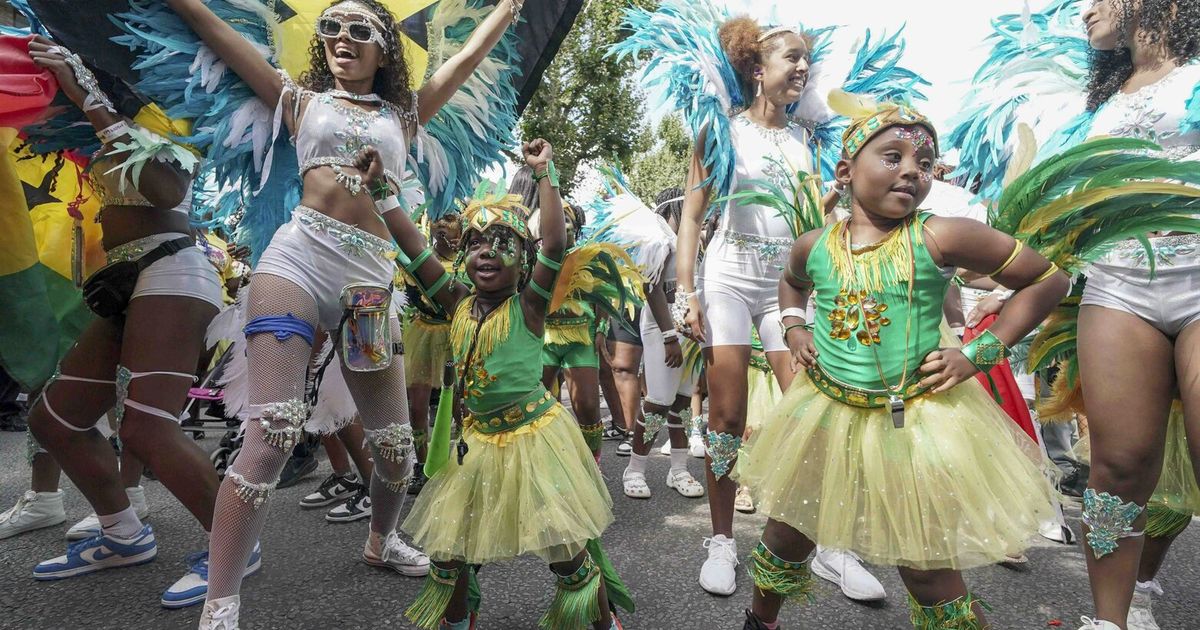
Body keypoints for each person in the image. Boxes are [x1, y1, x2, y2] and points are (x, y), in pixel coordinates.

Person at [161, 0, 522, 625]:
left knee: (394, 449)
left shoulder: (404, 115)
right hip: (295, 260)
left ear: (385, 51)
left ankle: (382, 540)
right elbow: (213, 31)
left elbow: (464, 60)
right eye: (331, 29)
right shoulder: (299, 100)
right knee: (272, 432)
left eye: (360, 32)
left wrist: (509, 9)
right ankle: (221, 604)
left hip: (368, 288)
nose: (342, 40)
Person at [736, 100, 1068, 629]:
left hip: (914, 422)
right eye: (893, 156)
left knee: (927, 567)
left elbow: (1047, 279)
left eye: (925, 162)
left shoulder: (940, 235)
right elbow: (791, 283)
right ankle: (760, 622)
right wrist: (794, 326)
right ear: (845, 172)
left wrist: (979, 353)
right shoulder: (814, 244)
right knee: (787, 533)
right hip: (824, 412)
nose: (913, 170)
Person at [21, 36, 232, 606]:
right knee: (55, 419)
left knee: (146, 428)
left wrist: (90, 99)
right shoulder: (114, 120)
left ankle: (233, 547)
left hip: (174, 273)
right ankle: (122, 534)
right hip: (125, 280)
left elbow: (166, 187)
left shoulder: (173, 115)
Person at [394, 139, 627, 630]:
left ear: (524, 260)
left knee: (566, 551)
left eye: (504, 245)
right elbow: (415, 253)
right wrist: (381, 194)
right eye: (477, 243)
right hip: (476, 442)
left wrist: (545, 175)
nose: (488, 253)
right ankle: (458, 622)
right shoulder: (455, 301)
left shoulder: (529, 306)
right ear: (463, 256)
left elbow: (557, 246)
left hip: (535, 438)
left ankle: (602, 623)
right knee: (450, 550)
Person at [621, 188, 704, 500]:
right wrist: (670, 336)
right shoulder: (659, 238)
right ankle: (635, 469)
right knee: (657, 400)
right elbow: (651, 287)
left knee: (682, 401)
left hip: (692, 330)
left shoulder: (692, 243)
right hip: (664, 328)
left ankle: (679, 469)